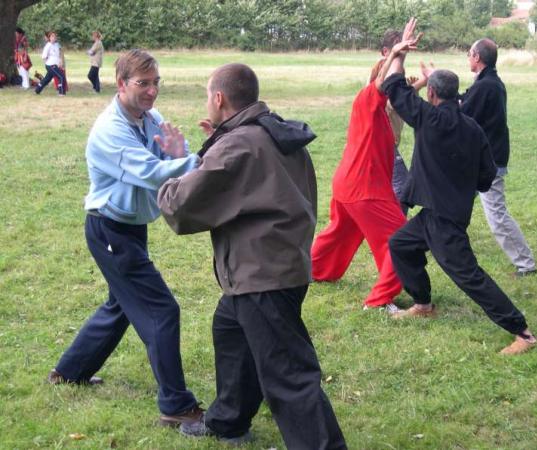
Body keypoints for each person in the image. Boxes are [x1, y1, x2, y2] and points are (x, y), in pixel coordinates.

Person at [158, 63, 347, 449]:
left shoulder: (238, 145)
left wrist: (172, 168)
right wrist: (215, 146)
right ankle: (229, 421)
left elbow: (180, 206)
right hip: (280, 263)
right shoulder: (272, 130)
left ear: (218, 98)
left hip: (263, 274)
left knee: (289, 375)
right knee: (230, 330)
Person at [48, 49, 205, 429]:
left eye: (155, 83)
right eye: (143, 84)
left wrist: (180, 153)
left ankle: (70, 371)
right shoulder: (110, 131)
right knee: (161, 310)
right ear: (121, 85)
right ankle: (176, 405)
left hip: (129, 227)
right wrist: (204, 159)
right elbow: (152, 173)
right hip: (109, 230)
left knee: (121, 305)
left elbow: (167, 156)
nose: (152, 92)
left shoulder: (148, 118)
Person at [382, 22, 537, 355]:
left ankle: (522, 332)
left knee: (469, 276)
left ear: (432, 94)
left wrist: (399, 52)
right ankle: (423, 304)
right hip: (437, 214)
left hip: (444, 220)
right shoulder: (473, 130)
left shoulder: (427, 118)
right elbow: (486, 176)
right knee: (400, 245)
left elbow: (393, 86)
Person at [309, 27, 418, 316]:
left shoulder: (378, 112)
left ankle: (310, 270)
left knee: (339, 234)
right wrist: (397, 52)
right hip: (364, 189)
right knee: (401, 241)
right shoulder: (368, 100)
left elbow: (395, 92)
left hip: (348, 185)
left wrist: (418, 78)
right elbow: (384, 84)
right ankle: (379, 300)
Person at [461, 38, 537, 277]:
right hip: (479, 160)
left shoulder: (488, 86)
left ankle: (526, 263)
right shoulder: (487, 81)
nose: (468, 57)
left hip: (488, 163)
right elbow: (466, 99)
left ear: (478, 58)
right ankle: (439, 240)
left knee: (497, 216)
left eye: (470, 53)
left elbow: (462, 112)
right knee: (453, 200)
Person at [369, 29, 410, 213]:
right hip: (382, 140)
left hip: (386, 138)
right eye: (398, 49)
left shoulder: (394, 69)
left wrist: (410, 88)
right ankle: (398, 232)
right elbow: (394, 103)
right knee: (403, 186)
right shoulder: (382, 71)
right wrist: (411, 90)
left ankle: (390, 227)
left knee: (388, 187)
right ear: (386, 51)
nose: (403, 53)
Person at [35, 31, 66, 96]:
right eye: (52, 36)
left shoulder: (56, 45)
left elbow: (59, 54)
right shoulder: (48, 46)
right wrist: (48, 62)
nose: (54, 37)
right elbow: (43, 57)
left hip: (55, 65)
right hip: (50, 65)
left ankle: (37, 90)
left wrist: (60, 61)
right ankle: (61, 93)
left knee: (47, 79)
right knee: (61, 76)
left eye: (55, 36)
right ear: (49, 38)